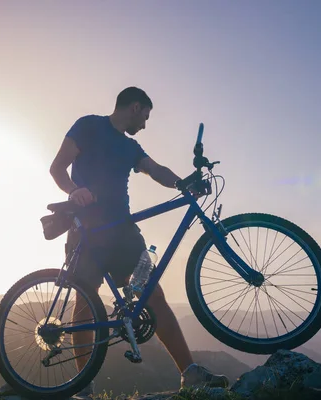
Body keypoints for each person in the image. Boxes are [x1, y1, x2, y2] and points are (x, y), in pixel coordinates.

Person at [48, 87, 230, 398]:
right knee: (85, 303)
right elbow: (57, 168)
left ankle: (190, 372)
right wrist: (74, 190)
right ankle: (83, 386)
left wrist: (183, 183)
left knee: (152, 293)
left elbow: (155, 170)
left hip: (124, 230)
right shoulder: (88, 126)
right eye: (145, 116)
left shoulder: (131, 147)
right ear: (134, 107)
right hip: (88, 229)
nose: (145, 123)